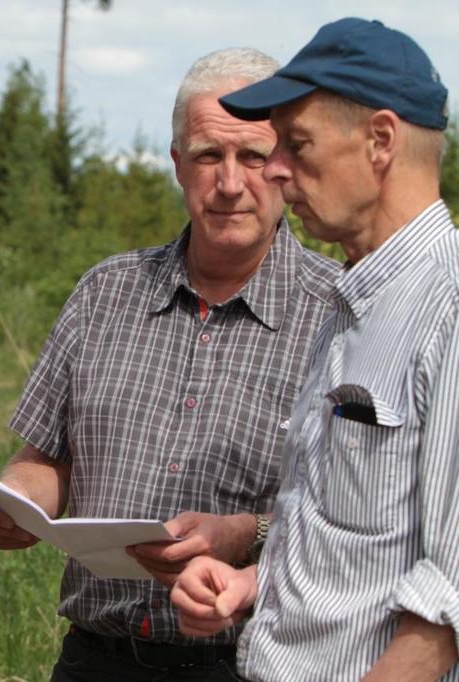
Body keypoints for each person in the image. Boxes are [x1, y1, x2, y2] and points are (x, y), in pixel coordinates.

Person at [0, 48, 340, 680]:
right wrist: (16, 502)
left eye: (251, 156)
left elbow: (362, 516)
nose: (229, 183)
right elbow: (47, 459)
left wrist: (247, 535)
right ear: (176, 164)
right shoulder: (105, 291)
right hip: (95, 656)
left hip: (253, 661)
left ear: (287, 167)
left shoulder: (339, 315)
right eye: (207, 156)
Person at [171, 18, 459, 682]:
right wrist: (253, 585)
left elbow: (447, 600)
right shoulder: (352, 301)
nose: (274, 169)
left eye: (295, 144)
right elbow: (350, 537)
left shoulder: (445, 306)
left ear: (379, 141)